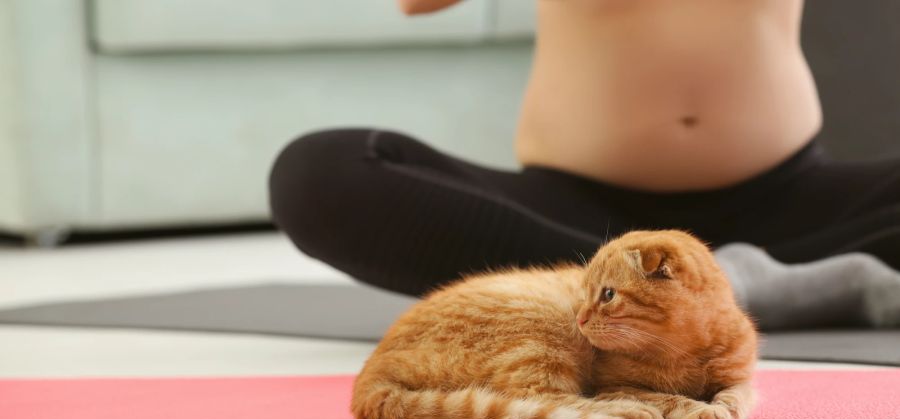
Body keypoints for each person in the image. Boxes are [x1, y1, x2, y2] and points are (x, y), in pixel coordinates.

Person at [269, 0, 900, 329]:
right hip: (580, 222)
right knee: (319, 173)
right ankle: (712, 291)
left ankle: (694, 291)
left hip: (792, 207)